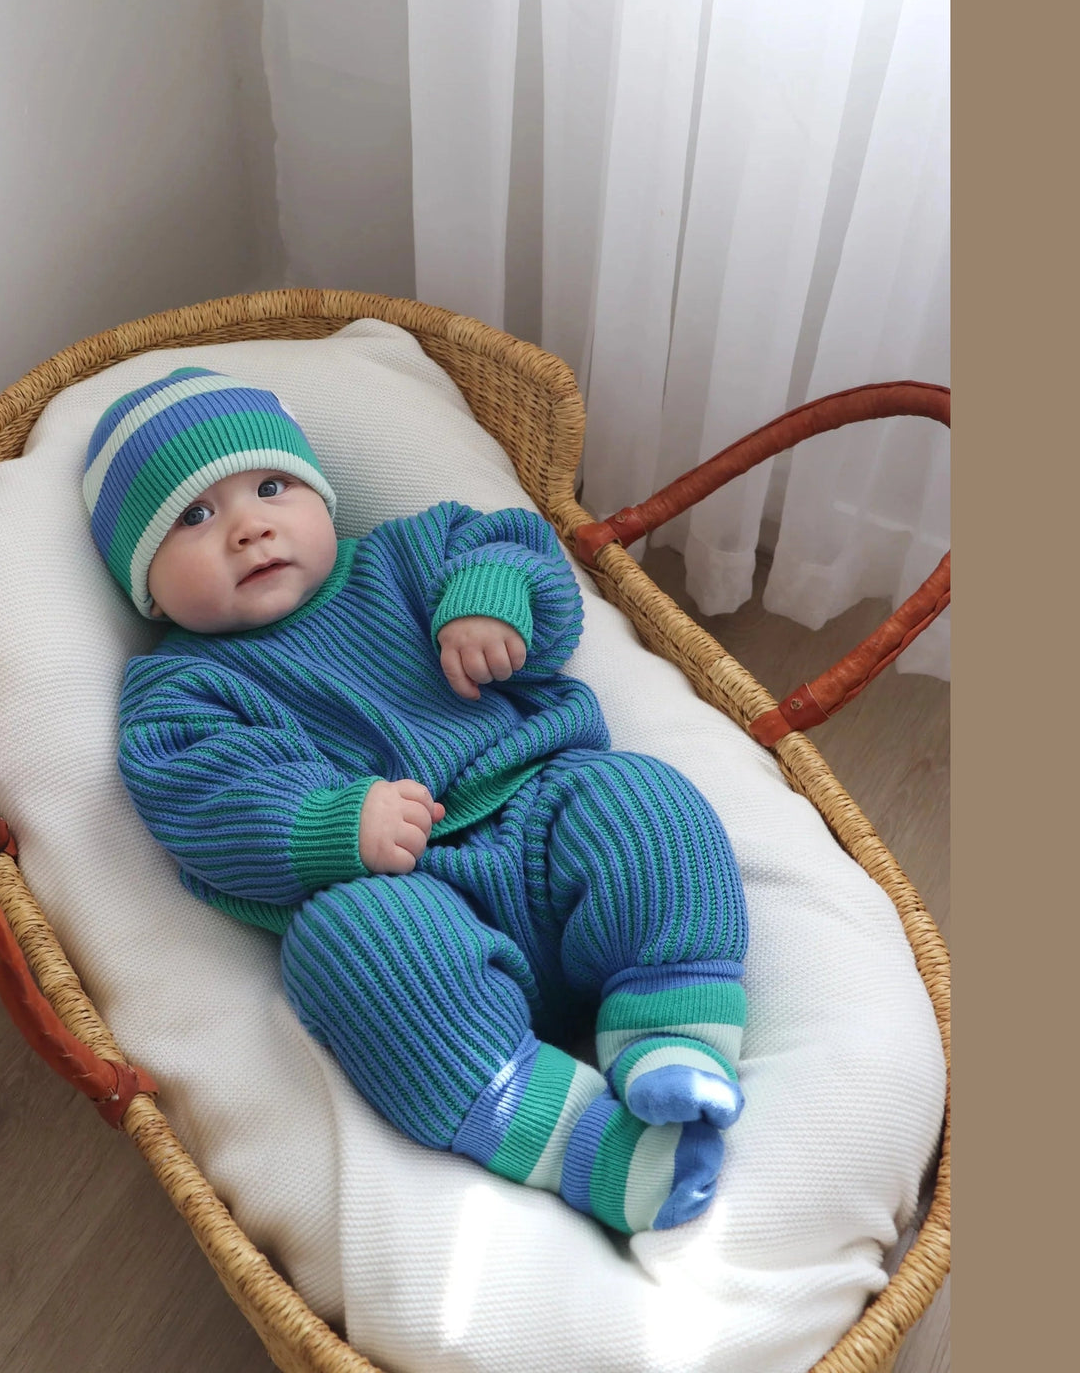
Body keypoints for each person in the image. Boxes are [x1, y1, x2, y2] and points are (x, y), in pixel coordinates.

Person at [85, 367, 749, 1235]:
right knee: (346, 949)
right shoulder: (179, 689)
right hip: (408, 900)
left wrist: (491, 604)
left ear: (320, 496)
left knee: (639, 801)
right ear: (144, 584)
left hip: (540, 811)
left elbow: (511, 542)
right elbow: (199, 794)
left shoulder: (409, 554)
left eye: (272, 487)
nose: (249, 527)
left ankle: (672, 1029)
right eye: (194, 517)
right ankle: (575, 1138)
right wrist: (334, 823)